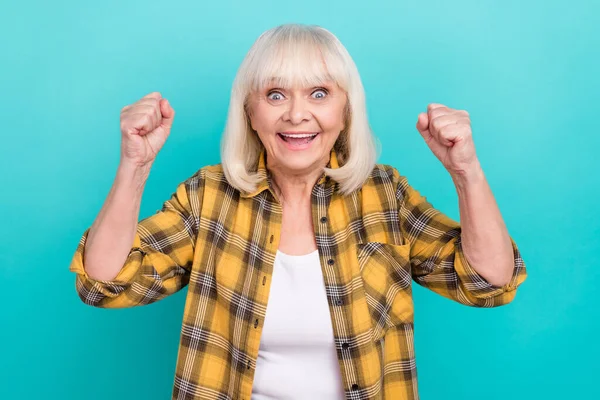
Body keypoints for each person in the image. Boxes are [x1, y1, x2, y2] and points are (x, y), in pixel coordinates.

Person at [69, 23, 527, 400]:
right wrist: (135, 165)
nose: (296, 115)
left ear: (346, 110)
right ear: (249, 112)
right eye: (274, 95)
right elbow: (106, 284)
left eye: (319, 93)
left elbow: (488, 282)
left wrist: (465, 170)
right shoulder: (209, 196)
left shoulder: (385, 195)